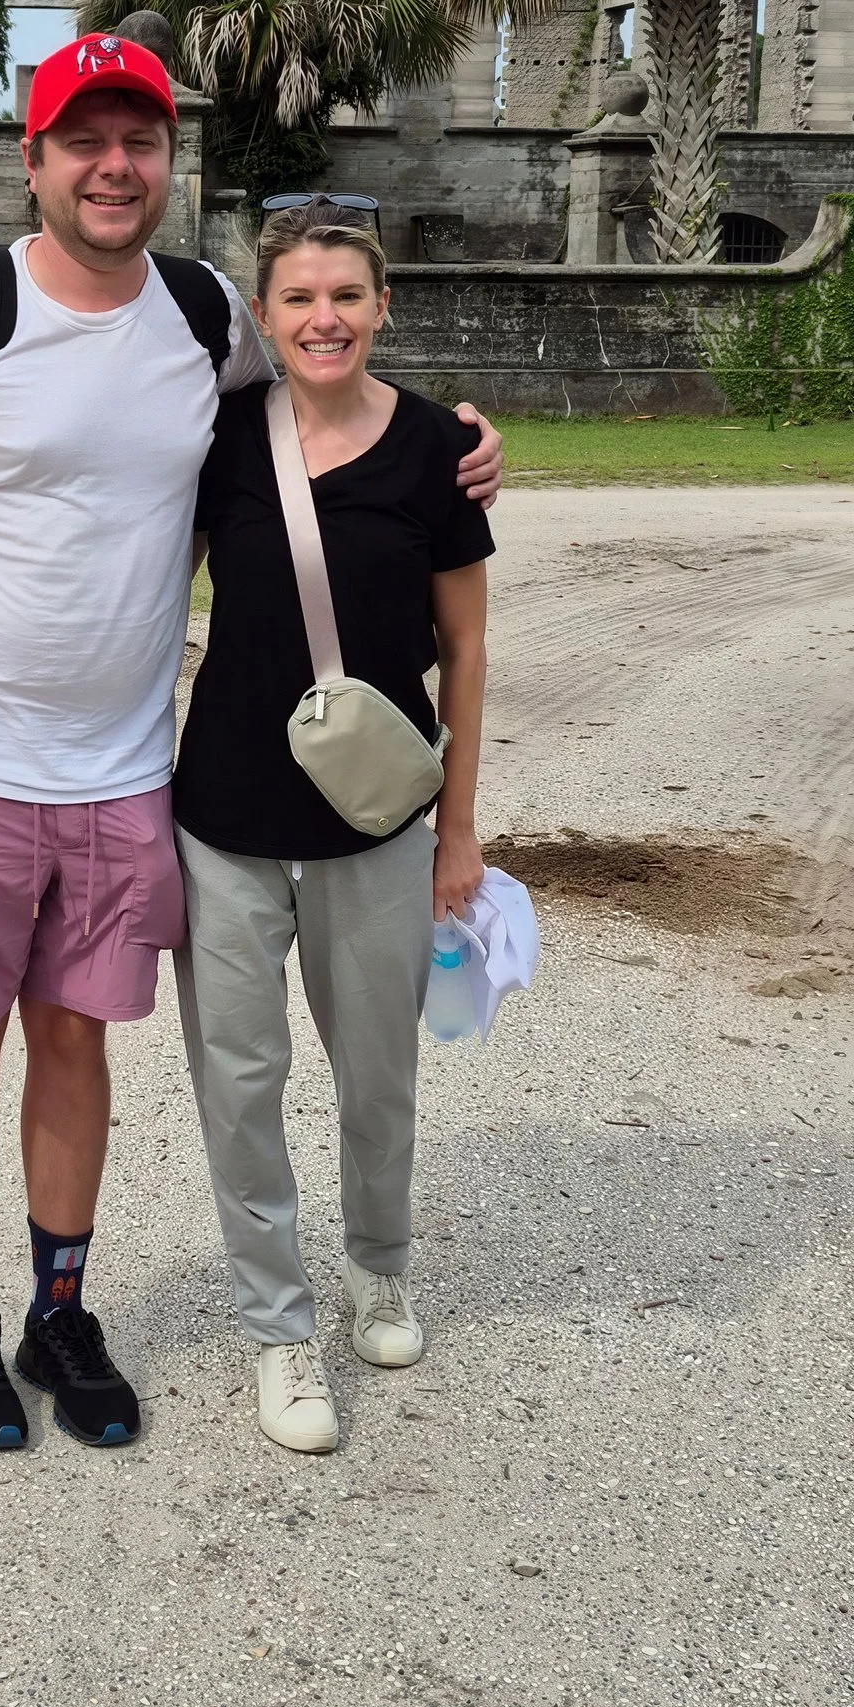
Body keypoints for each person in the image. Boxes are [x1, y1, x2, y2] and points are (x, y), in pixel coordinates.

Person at [0, 45, 502, 1454]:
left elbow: (327, 367)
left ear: (169, 162)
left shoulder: (201, 317)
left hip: (126, 762)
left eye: (140, 139)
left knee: (77, 1036)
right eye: (86, 140)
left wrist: (458, 438)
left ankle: (63, 1304)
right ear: (34, 158)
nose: (115, 165)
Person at [169, 202, 492, 1456]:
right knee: (239, 1085)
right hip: (224, 820)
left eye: (345, 296)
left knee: (377, 1071)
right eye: (298, 299)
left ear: (383, 306)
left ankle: (380, 1265)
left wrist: (459, 830)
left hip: (379, 826)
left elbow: (462, 647)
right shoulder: (218, 447)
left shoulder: (434, 451)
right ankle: (276, 1326)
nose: (323, 319)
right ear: (264, 315)